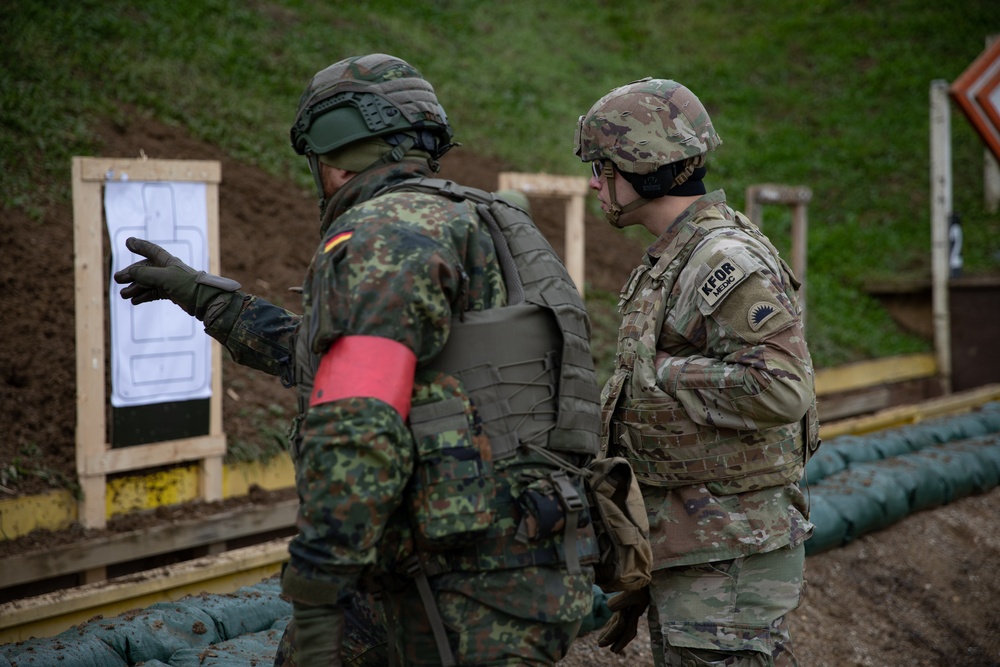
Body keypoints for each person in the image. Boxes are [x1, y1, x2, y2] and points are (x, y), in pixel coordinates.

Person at [114, 53, 606, 667]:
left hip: (446, 580)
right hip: (529, 559)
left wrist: (318, 590)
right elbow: (367, 365)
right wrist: (207, 299)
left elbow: (356, 419)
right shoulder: (490, 222)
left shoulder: (386, 232)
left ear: (335, 146)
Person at [574, 77, 820, 666]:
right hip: (697, 547)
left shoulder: (719, 258)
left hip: (727, 556)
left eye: (602, 166)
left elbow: (783, 385)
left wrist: (664, 374)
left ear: (644, 168)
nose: (593, 182)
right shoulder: (679, 254)